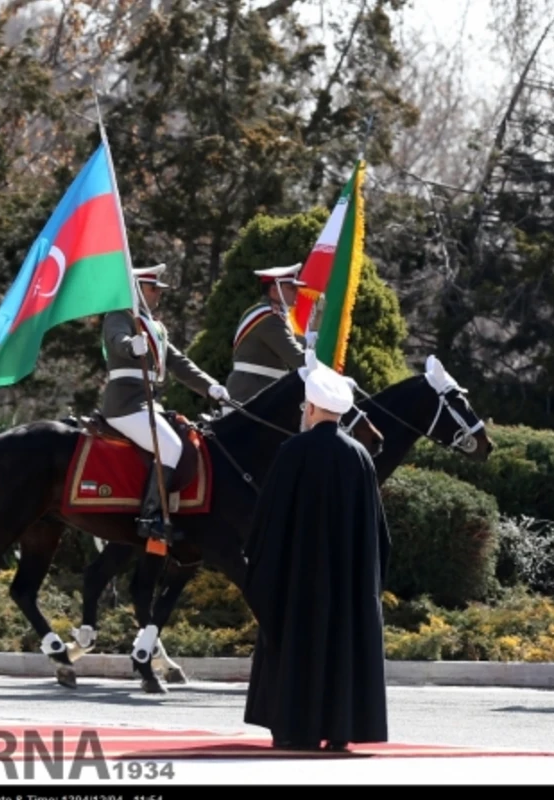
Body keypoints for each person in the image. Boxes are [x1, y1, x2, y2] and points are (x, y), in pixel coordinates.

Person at [242, 355, 390, 752]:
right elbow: (378, 535)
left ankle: (295, 728)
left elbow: (267, 523)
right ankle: (339, 730)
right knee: (341, 648)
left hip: (297, 586)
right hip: (346, 588)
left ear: (309, 408)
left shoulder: (293, 451)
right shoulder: (361, 458)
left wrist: (260, 569)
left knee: (295, 647)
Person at [99, 263, 230, 542]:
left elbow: (179, 363)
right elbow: (115, 339)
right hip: (124, 405)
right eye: (152, 288)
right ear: (136, 290)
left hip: (147, 404)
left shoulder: (155, 327)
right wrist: (129, 346)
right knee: (170, 447)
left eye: (158, 289)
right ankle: (149, 517)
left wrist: (210, 387)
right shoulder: (119, 315)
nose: (158, 294)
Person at [224, 263, 313, 409]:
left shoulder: (269, 314)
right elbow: (297, 359)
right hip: (251, 393)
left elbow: (286, 341)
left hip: (257, 389)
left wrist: (306, 341)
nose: (296, 292)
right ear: (274, 290)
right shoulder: (269, 318)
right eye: (291, 288)